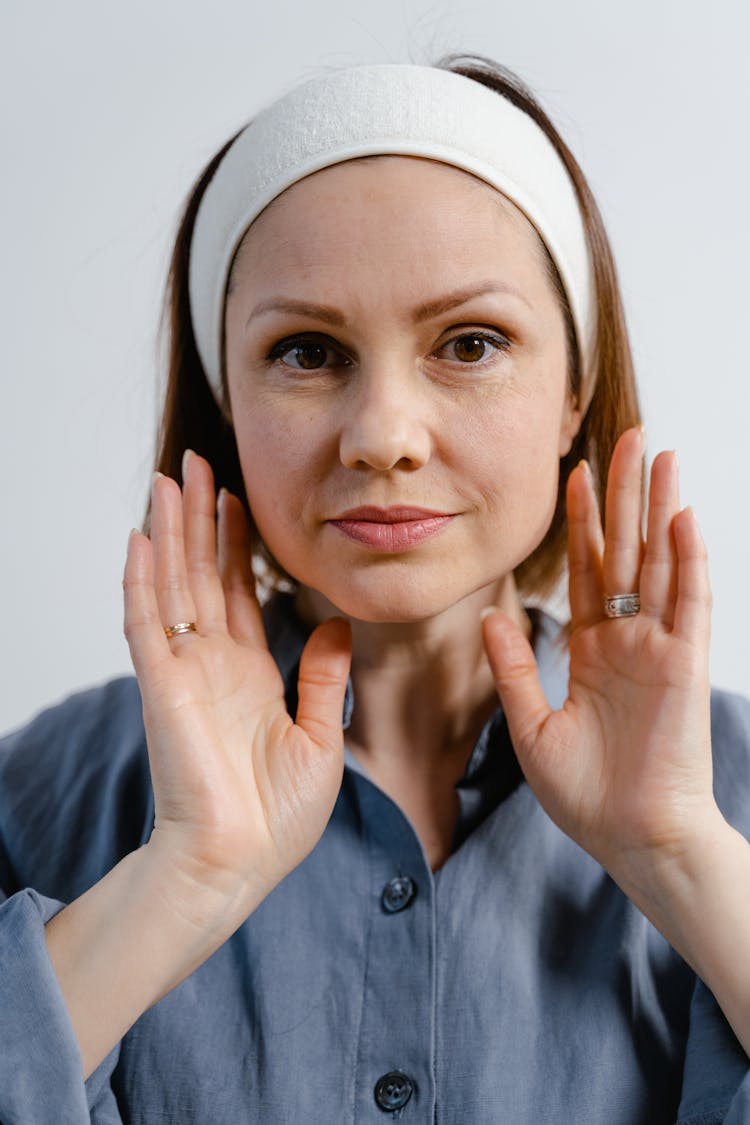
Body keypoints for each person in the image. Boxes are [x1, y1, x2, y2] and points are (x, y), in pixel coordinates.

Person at [1, 53, 749, 1125]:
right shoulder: (39, 799)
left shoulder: (732, 792)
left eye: (470, 343)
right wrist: (184, 879)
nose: (383, 436)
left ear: (575, 390)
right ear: (224, 400)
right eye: (307, 351)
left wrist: (683, 855)